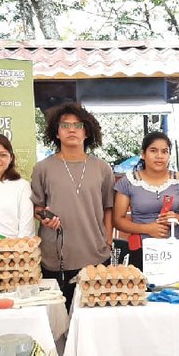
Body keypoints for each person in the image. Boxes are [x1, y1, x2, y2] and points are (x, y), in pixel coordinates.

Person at [30, 103, 114, 309]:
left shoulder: (102, 168)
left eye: (77, 125)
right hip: (55, 257)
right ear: (56, 133)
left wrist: (108, 241)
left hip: (95, 255)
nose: (71, 130)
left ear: (87, 132)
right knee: (58, 323)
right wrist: (45, 217)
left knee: (93, 319)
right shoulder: (43, 168)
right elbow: (37, 208)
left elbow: (108, 208)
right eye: (65, 125)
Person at [113, 131, 179, 269]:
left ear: (169, 155)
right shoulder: (128, 181)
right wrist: (147, 229)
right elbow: (118, 220)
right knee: (142, 289)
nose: (159, 156)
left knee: (175, 288)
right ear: (143, 154)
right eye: (153, 150)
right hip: (141, 250)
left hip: (174, 249)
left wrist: (178, 218)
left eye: (164, 151)